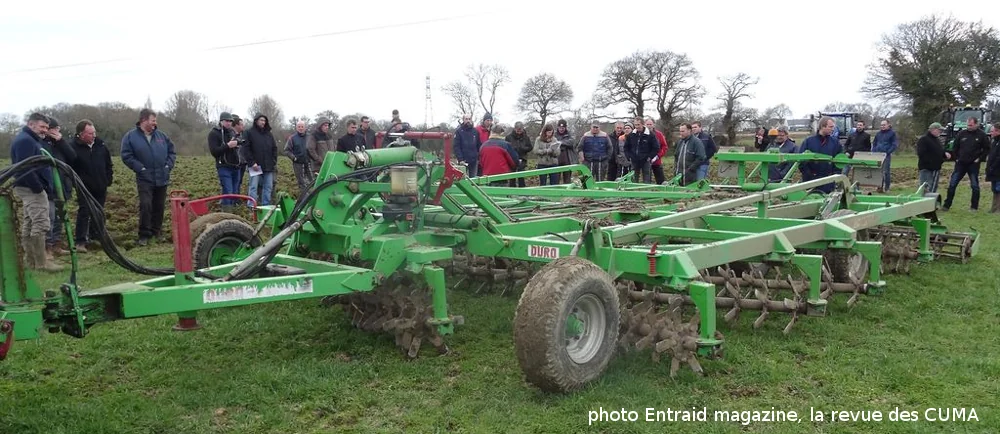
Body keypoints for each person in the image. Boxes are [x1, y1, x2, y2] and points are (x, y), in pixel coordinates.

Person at [11, 113, 62, 271]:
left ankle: (31, 261)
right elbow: (25, 168)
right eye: (42, 126)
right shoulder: (25, 141)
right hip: (31, 188)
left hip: (29, 187)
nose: (45, 130)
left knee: (30, 222)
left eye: (47, 127)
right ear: (31, 124)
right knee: (40, 223)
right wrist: (39, 188)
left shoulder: (30, 139)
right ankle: (42, 263)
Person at [121, 109, 176, 246]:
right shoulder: (130, 137)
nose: (155, 123)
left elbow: (172, 152)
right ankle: (144, 235)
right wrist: (140, 168)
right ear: (143, 120)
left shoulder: (161, 136)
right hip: (145, 177)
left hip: (162, 176)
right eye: (153, 120)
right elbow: (126, 155)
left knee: (159, 206)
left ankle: (156, 232)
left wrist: (168, 166)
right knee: (146, 205)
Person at [69, 119, 113, 252]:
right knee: (85, 212)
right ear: (81, 134)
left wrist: (108, 179)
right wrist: (77, 183)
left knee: (99, 211)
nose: (94, 135)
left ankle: (96, 236)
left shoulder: (101, 145)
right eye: (90, 133)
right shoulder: (73, 147)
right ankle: (80, 241)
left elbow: (108, 164)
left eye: (94, 132)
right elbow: (70, 168)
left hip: (100, 185)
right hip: (84, 187)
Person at [39, 116, 76, 257]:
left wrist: (61, 141)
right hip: (49, 187)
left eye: (57, 129)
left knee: (60, 218)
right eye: (54, 129)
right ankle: (47, 247)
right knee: (50, 217)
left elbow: (72, 156)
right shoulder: (41, 143)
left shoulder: (60, 143)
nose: (56, 131)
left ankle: (57, 245)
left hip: (62, 185)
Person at [942, 117, 991, 211]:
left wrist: (979, 159)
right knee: (952, 184)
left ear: (976, 124)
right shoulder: (962, 134)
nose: (969, 127)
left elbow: (987, 149)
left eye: (971, 125)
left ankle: (974, 207)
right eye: (968, 125)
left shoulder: (982, 135)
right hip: (960, 164)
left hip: (973, 165)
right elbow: (955, 147)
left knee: (974, 186)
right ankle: (946, 205)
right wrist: (956, 158)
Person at [797, 116, 842, 193]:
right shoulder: (808, 141)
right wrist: (809, 175)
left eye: (833, 127)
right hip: (811, 182)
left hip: (828, 181)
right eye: (830, 127)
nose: (833, 129)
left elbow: (839, 160)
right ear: (822, 126)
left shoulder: (835, 143)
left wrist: (834, 175)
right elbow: (801, 161)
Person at [241, 113, 278, 207]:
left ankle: (266, 205)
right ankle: (251, 206)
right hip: (255, 165)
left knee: (268, 187)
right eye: (261, 120)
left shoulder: (269, 134)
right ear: (256, 121)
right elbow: (246, 149)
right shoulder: (249, 133)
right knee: (253, 186)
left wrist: (273, 161)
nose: (263, 122)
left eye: (264, 120)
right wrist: (252, 163)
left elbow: (274, 148)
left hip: (269, 165)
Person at [207, 112, 241, 209]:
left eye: (230, 121)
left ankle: (233, 212)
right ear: (221, 121)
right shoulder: (213, 134)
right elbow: (214, 152)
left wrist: (237, 144)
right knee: (228, 191)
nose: (229, 123)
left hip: (235, 166)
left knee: (235, 192)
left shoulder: (232, 132)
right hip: (224, 166)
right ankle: (227, 213)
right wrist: (227, 146)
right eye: (227, 121)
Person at [915, 122, 950, 194]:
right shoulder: (923, 140)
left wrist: (944, 154)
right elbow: (921, 154)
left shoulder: (937, 140)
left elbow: (939, 150)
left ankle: (931, 203)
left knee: (933, 188)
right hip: (927, 169)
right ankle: (923, 204)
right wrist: (931, 162)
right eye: (939, 130)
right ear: (933, 129)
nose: (940, 132)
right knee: (925, 188)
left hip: (936, 168)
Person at [283, 120, 312, 196]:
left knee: (312, 180)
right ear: (296, 128)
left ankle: (312, 196)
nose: (301, 128)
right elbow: (286, 150)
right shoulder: (292, 138)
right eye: (299, 127)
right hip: (298, 164)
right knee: (301, 182)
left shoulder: (310, 137)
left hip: (309, 163)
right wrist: (294, 158)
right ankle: (305, 199)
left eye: (302, 127)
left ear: (305, 128)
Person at [872, 119, 898, 192]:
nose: (882, 126)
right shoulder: (878, 134)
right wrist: (874, 151)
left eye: (884, 125)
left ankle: (887, 188)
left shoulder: (892, 133)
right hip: (878, 155)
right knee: (878, 171)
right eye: (881, 125)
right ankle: (879, 187)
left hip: (886, 155)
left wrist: (888, 152)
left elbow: (894, 145)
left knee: (886, 172)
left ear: (888, 125)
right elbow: (874, 143)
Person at [505, 121, 533, 187]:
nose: (519, 132)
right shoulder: (509, 137)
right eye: (518, 130)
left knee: (521, 174)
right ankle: (512, 189)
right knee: (512, 175)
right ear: (515, 129)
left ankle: (522, 189)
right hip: (512, 158)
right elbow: (506, 148)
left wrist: (523, 148)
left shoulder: (526, 137)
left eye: (520, 130)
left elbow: (530, 147)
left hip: (522, 157)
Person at [986, 123, 1000, 213]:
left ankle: (998, 209)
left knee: (999, 189)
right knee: (994, 189)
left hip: (998, 170)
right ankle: (994, 208)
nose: (990, 133)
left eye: (992, 131)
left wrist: (993, 167)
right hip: (993, 170)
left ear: (998, 131)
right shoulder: (994, 141)